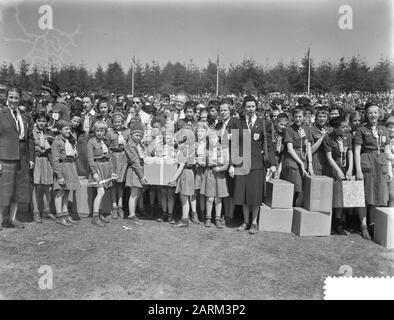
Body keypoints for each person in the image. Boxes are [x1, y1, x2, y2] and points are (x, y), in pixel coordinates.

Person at [232, 95, 276, 234]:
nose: (250, 109)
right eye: (248, 106)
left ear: (256, 107)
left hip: (257, 164)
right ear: (244, 108)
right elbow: (234, 145)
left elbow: (269, 145)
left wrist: (272, 164)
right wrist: (232, 164)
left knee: (255, 195)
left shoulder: (264, 123)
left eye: (253, 106)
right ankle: (245, 221)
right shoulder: (237, 123)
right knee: (244, 194)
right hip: (242, 164)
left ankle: (254, 223)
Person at [353, 102, 393, 239]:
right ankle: (363, 226)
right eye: (370, 113)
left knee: (377, 195)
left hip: (381, 162)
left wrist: (389, 170)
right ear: (366, 115)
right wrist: (358, 170)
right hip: (367, 161)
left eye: (375, 112)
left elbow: (387, 150)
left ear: (379, 114)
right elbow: (357, 151)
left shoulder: (384, 129)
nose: (373, 115)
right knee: (364, 195)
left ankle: (373, 224)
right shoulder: (361, 130)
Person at [0, 86, 35, 230]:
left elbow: (31, 138)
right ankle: (2, 220)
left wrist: (31, 158)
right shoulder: (1, 113)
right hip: (6, 155)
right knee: (4, 188)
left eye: (16, 97)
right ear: (6, 98)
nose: (13, 100)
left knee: (18, 188)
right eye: (11, 97)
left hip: (23, 155)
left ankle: (13, 218)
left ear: (20, 98)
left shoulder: (25, 115)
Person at [323, 116, 354, 235]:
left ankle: (340, 222)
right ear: (335, 128)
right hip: (334, 169)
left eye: (346, 126)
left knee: (343, 196)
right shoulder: (328, 138)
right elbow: (329, 157)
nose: (346, 128)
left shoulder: (348, 136)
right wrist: (338, 171)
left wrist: (350, 169)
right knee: (335, 196)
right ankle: (332, 222)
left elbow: (350, 152)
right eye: (343, 127)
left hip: (346, 167)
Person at [280, 107, 314, 207]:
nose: (298, 119)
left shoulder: (307, 129)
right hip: (293, 160)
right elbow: (290, 149)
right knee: (294, 188)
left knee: (302, 189)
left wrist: (310, 164)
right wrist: (300, 163)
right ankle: (290, 209)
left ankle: (297, 211)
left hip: (304, 158)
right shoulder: (289, 129)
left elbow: (308, 146)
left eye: (300, 116)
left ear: (304, 117)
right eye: (295, 117)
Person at [87, 120, 118, 227]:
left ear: (105, 132)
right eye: (97, 131)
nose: (99, 133)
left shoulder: (106, 142)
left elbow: (109, 158)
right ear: (94, 131)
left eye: (101, 131)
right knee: (100, 192)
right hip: (97, 167)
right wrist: (94, 172)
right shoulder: (91, 142)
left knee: (103, 191)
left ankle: (98, 213)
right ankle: (95, 217)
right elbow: (90, 159)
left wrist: (112, 172)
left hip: (106, 168)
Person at [52, 120, 80, 227]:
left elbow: (70, 154)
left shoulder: (70, 141)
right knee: (60, 192)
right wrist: (59, 176)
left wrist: (75, 153)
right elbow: (55, 160)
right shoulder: (57, 142)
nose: (69, 131)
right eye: (66, 129)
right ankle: (59, 216)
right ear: (60, 130)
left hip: (70, 167)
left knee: (67, 191)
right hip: (62, 168)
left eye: (70, 129)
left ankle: (65, 214)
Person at [200, 128, 229, 228]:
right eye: (210, 138)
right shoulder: (206, 150)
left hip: (220, 175)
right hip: (210, 174)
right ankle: (208, 218)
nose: (213, 140)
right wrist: (202, 162)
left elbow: (227, 164)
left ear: (219, 138)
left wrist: (220, 169)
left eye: (214, 137)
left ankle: (217, 218)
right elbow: (203, 162)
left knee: (218, 199)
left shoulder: (224, 149)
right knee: (210, 198)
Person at [169, 128, 197, 228]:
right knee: (183, 197)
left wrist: (173, 179)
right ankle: (184, 218)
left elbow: (181, 166)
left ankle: (184, 220)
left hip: (185, 173)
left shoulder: (185, 149)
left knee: (184, 198)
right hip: (187, 173)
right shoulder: (188, 147)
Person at [31, 111, 54, 223]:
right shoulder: (32, 132)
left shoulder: (49, 132)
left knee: (47, 186)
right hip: (36, 159)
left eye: (43, 121)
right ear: (36, 121)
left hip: (47, 160)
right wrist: (39, 149)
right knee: (36, 186)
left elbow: (52, 146)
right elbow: (30, 145)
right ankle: (35, 211)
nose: (41, 123)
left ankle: (46, 209)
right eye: (39, 120)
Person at [124, 121, 148, 226]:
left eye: (140, 135)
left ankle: (133, 213)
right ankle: (131, 216)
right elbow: (135, 161)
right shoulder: (130, 145)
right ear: (131, 134)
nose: (138, 137)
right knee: (134, 194)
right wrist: (141, 176)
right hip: (134, 171)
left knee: (137, 193)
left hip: (139, 170)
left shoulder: (139, 144)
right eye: (136, 135)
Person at [107, 112, 129, 219]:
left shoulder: (127, 132)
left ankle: (121, 206)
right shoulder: (109, 133)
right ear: (112, 123)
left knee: (121, 183)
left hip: (123, 158)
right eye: (115, 122)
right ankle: (114, 206)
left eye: (119, 122)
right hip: (113, 158)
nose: (117, 124)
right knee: (113, 183)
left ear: (123, 122)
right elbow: (106, 146)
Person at [310, 108, 331, 175]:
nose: (322, 119)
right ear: (316, 118)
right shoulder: (311, 130)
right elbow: (311, 150)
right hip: (316, 159)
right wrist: (322, 137)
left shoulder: (330, 130)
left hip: (328, 160)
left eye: (324, 117)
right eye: (320, 116)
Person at [386, 116, 394, 207]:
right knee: (389, 195)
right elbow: (387, 155)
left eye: (393, 127)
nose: (391, 129)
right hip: (387, 169)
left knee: (392, 195)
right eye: (389, 127)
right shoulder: (384, 139)